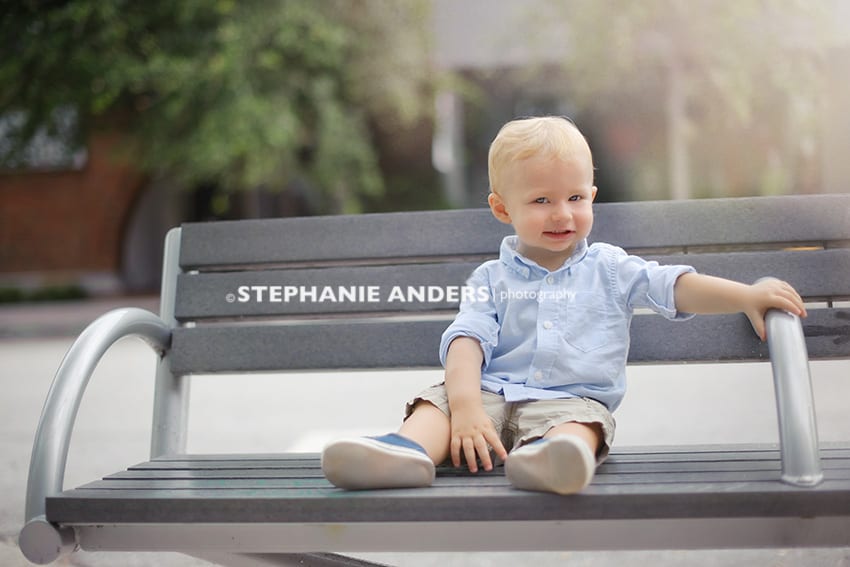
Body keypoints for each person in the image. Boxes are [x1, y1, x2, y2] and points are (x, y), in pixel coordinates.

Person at [320, 116, 807, 495]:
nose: (562, 213)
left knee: (583, 425)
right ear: (502, 209)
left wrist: (745, 296)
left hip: (568, 404)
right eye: (541, 200)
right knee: (437, 406)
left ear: (592, 197)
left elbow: (674, 286)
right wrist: (467, 407)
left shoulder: (610, 268)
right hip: (487, 397)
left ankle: (554, 459)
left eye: (575, 197)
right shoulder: (491, 279)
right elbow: (465, 341)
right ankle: (403, 453)